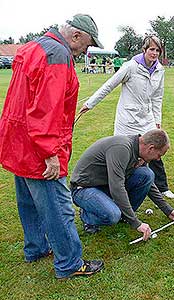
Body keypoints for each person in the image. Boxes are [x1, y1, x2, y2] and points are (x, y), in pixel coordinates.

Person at [0, 14, 104, 279]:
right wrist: (50, 153)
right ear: (77, 36)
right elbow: (46, 109)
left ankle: (36, 247)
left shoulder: (35, 46)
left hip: (18, 141)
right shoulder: (58, 54)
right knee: (58, 207)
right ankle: (69, 263)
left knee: (28, 202)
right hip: (38, 147)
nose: (85, 51)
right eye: (87, 45)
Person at [79, 36, 174, 199]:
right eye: (151, 49)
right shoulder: (130, 67)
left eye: (157, 50)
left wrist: (157, 121)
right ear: (144, 50)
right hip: (127, 119)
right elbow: (109, 86)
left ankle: (162, 187)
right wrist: (89, 104)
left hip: (147, 118)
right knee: (124, 156)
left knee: (156, 151)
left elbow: (157, 97)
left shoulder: (160, 70)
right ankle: (117, 190)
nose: (154, 53)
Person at [70, 130, 174, 238]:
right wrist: (136, 223)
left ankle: (124, 216)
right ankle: (88, 216)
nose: (158, 159)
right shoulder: (122, 148)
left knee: (147, 174)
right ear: (151, 148)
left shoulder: (138, 151)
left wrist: (168, 210)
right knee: (113, 215)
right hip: (84, 189)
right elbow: (117, 187)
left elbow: (149, 185)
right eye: (159, 155)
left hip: (106, 185)